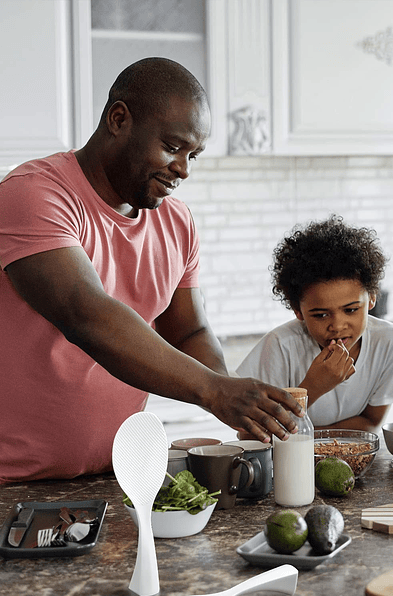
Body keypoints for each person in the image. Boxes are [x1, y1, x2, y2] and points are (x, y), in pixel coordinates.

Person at [0, 57, 301, 484]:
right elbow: (85, 315)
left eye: (193, 155)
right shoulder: (33, 195)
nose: (184, 169)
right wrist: (214, 392)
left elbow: (188, 332)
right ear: (119, 119)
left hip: (120, 476)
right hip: (12, 486)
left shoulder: (176, 222)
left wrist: (239, 406)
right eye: (173, 147)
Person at [236, 215, 393, 433]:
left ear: (372, 297)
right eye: (320, 315)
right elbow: (249, 434)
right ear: (297, 309)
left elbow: (371, 422)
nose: (337, 326)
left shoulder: (392, 342)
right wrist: (313, 387)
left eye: (351, 310)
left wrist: (308, 436)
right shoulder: (280, 346)